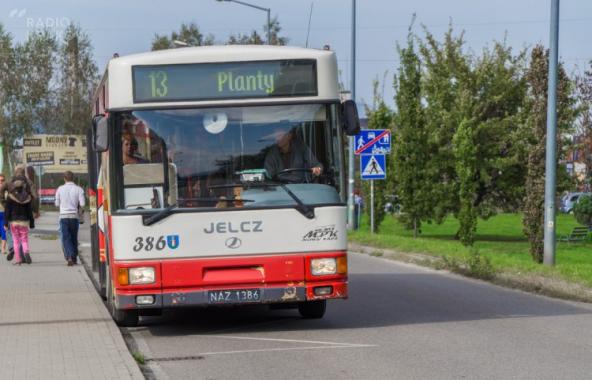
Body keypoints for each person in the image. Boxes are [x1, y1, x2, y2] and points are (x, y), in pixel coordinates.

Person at [3, 166, 35, 265]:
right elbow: (29, 211)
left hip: (13, 222)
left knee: (16, 241)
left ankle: (18, 260)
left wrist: (6, 223)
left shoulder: (10, 197)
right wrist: (32, 223)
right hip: (24, 221)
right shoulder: (27, 197)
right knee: (24, 239)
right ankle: (26, 252)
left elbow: (7, 211)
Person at [55, 171, 85, 266]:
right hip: (74, 217)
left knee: (66, 238)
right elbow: (83, 204)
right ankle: (74, 258)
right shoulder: (79, 189)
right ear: (74, 178)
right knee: (73, 237)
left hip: (63, 217)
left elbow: (57, 204)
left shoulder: (60, 189)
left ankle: (69, 256)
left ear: (64, 179)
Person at [0, 173, 6, 255]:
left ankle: (3, 248)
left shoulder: (6, 190)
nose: (1, 182)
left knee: (4, 230)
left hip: (4, 212)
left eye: (2, 180)